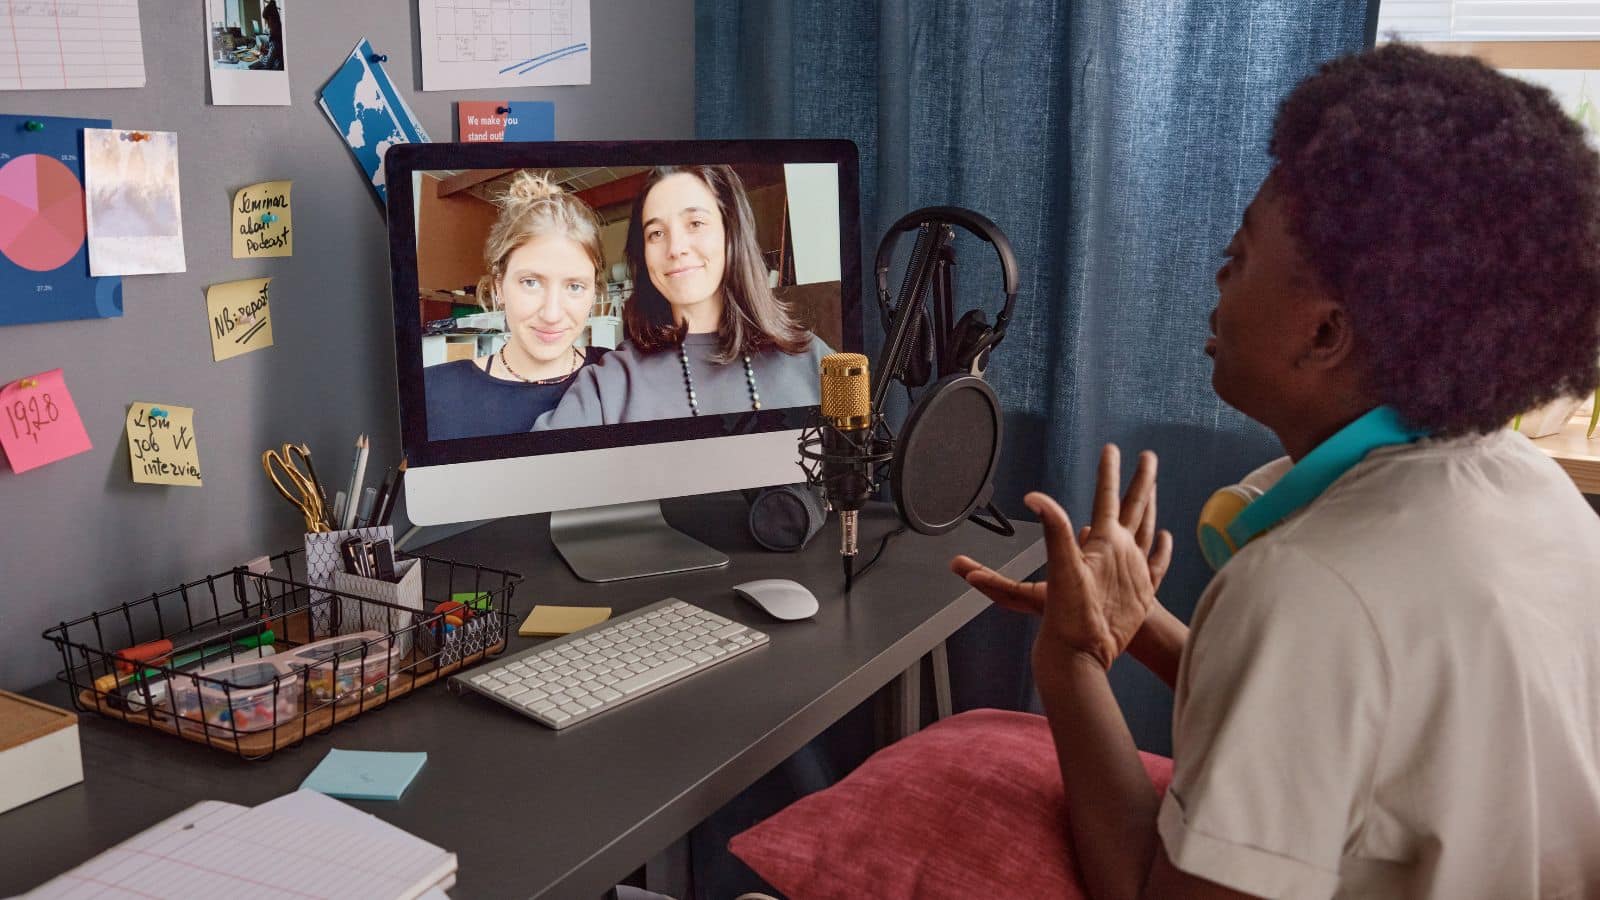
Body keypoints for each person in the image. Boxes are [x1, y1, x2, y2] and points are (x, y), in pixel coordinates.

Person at [945, 45, 1600, 898]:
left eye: (1241, 254)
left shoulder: (1308, 585)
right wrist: (1138, 626)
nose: (1219, 274)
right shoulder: (1530, 487)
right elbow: (1348, 721)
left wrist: (1069, 664)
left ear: (1325, 334)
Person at [534, 165, 832, 428]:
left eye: (695, 223)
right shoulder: (611, 384)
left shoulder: (813, 361)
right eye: (656, 233)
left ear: (731, 234)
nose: (675, 248)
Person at [425, 171, 608, 441]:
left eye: (574, 286)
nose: (552, 314)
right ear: (499, 287)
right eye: (531, 282)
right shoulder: (433, 393)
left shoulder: (616, 375)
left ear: (593, 293)